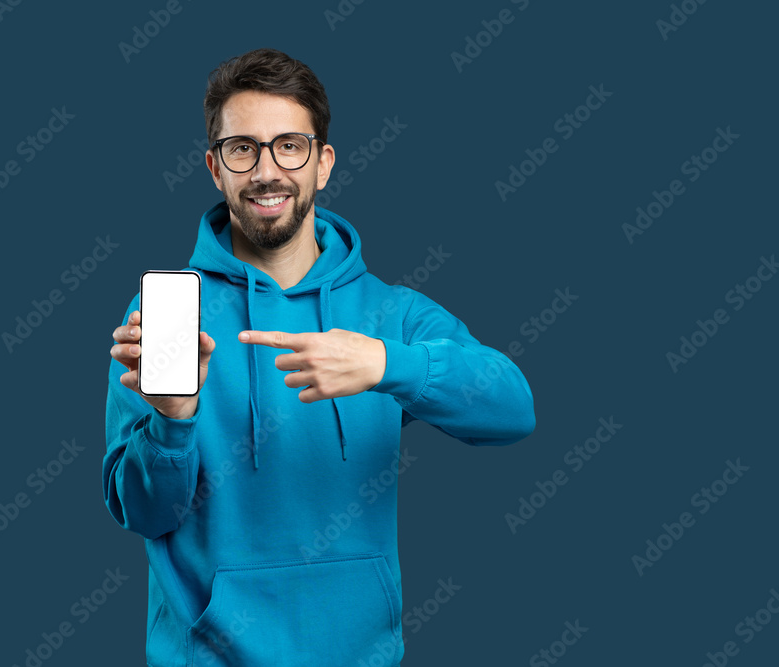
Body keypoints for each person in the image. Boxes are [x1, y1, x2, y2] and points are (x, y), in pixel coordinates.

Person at [104, 47, 535, 667]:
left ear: (322, 163)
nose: (266, 170)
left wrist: (390, 367)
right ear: (215, 167)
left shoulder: (392, 315)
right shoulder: (168, 322)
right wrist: (172, 421)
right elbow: (144, 515)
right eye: (242, 148)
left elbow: (514, 409)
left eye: (289, 145)